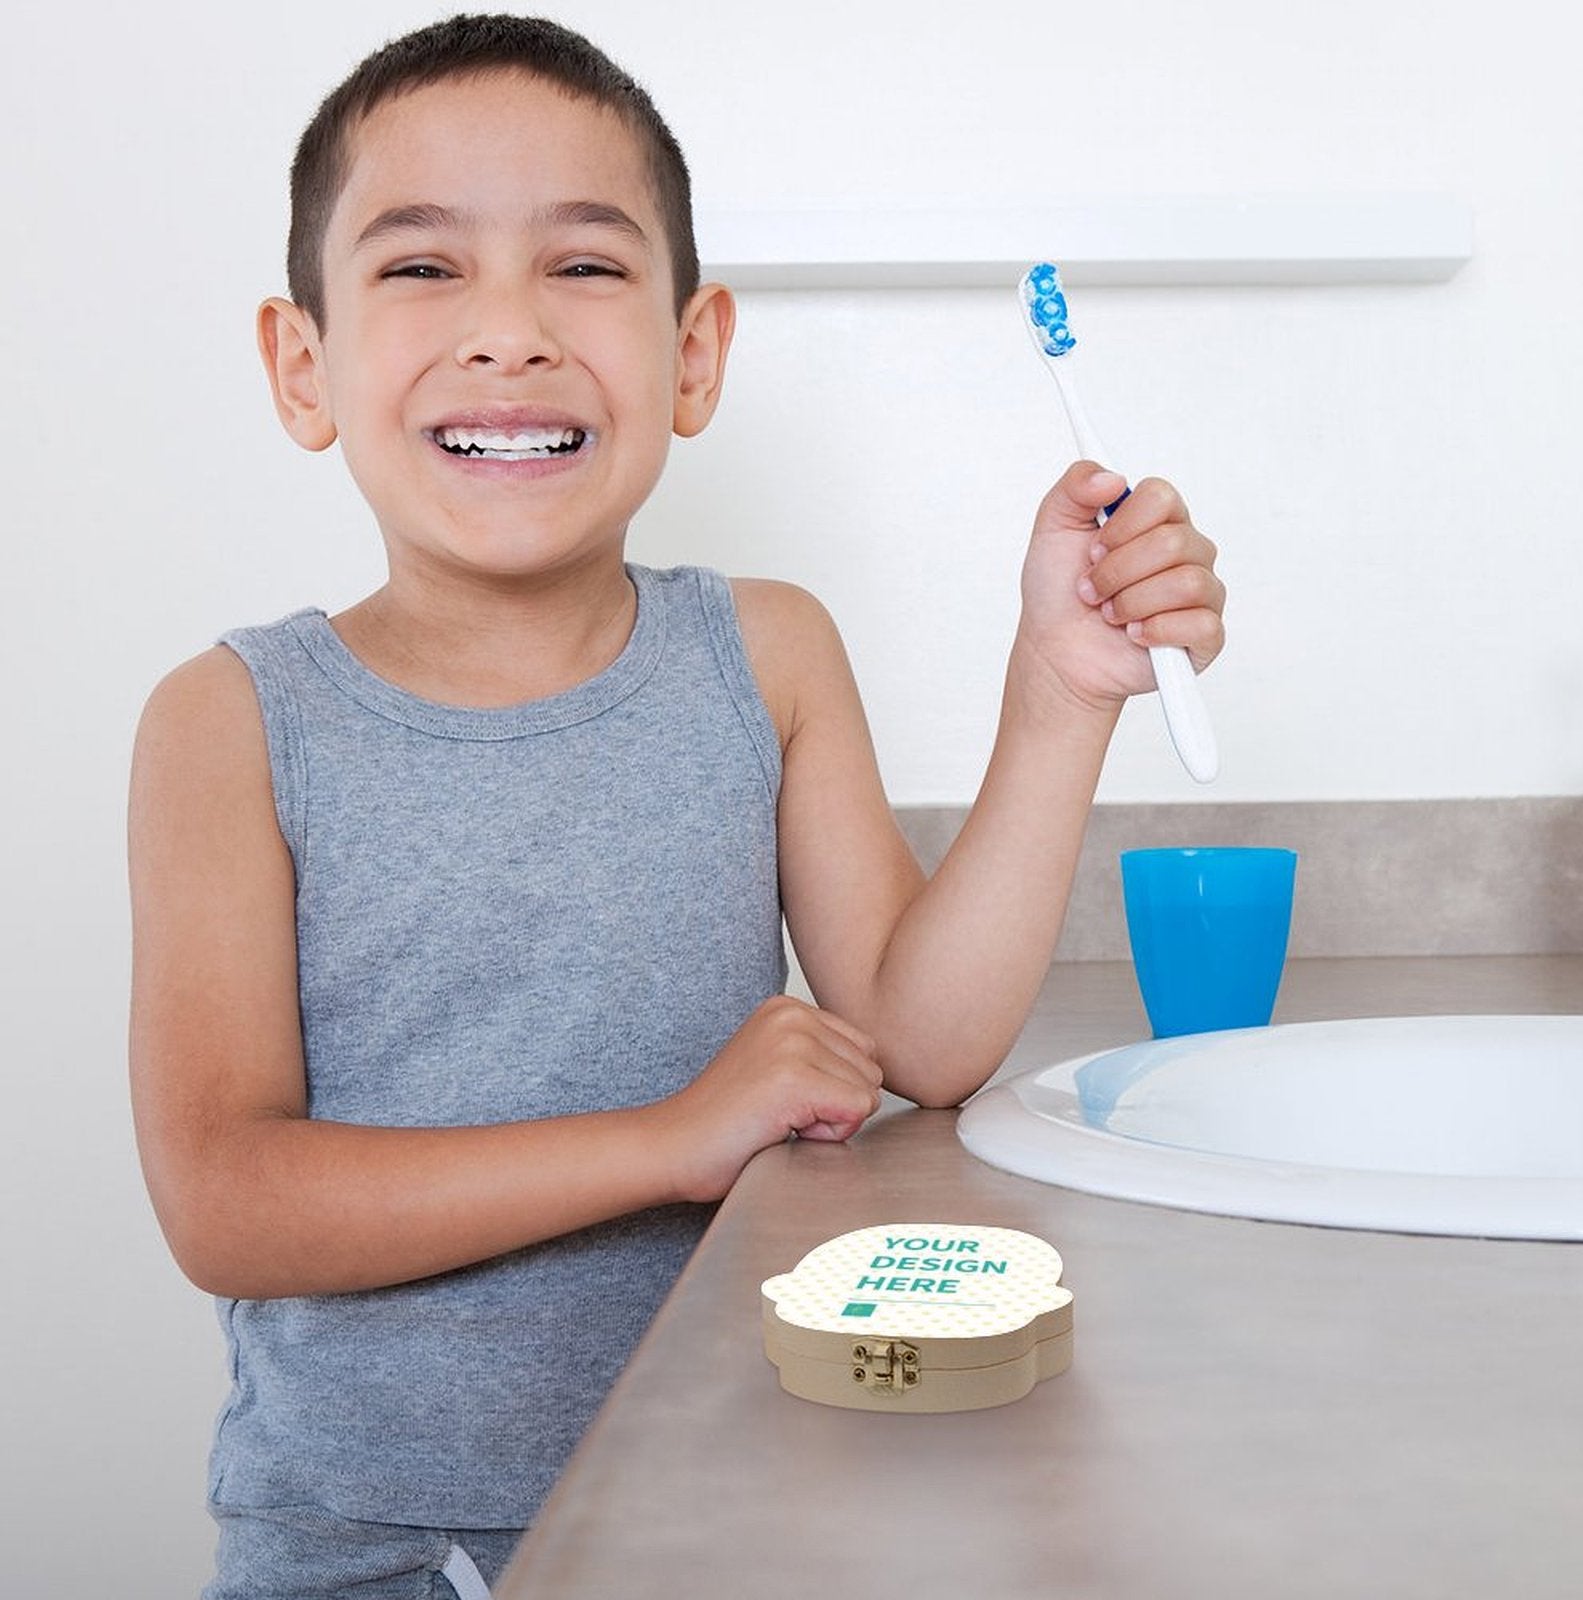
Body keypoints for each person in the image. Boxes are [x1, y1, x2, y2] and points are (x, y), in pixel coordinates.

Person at [127, 14, 1225, 1598]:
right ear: (304, 368)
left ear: (692, 352)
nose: (507, 333)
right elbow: (228, 1204)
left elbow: (923, 1039)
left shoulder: (765, 655)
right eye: (423, 268)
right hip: (371, 1548)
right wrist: (665, 1142)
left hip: (731, 1506)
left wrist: (1058, 698)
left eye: (581, 266)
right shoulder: (229, 724)